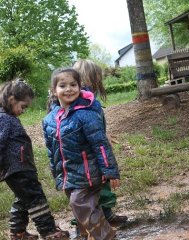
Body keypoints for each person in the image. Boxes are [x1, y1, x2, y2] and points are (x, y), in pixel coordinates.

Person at [42, 68, 120, 240]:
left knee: (79, 202)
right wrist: (58, 175)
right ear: (54, 91)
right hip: (69, 176)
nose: (69, 89)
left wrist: (110, 171)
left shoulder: (85, 115)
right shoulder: (49, 120)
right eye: (63, 85)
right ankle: (86, 236)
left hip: (88, 173)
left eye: (73, 84)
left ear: (80, 87)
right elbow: (51, 151)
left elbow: (101, 144)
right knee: (82, 208)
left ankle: (106, 236)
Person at [0, 79, 69, 240]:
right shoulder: (3, 119)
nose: (23, 111)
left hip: (21, 167)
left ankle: (18, 233)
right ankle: (48, 231)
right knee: (36, 198)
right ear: (11, 100)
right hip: (17, 168)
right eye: (23, 106)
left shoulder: (7, 117)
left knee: (23, 199)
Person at [73, 59, 128, 226]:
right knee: (94, 184)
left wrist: (104, 134)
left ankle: (104, 215)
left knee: (94, 184)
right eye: (98, 77)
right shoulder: (84, 100)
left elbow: (92, 126)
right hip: (87, 151)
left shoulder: (85, 98)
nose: (100, 81)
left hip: (87, 147)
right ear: (90, 77)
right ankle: (91, 221)